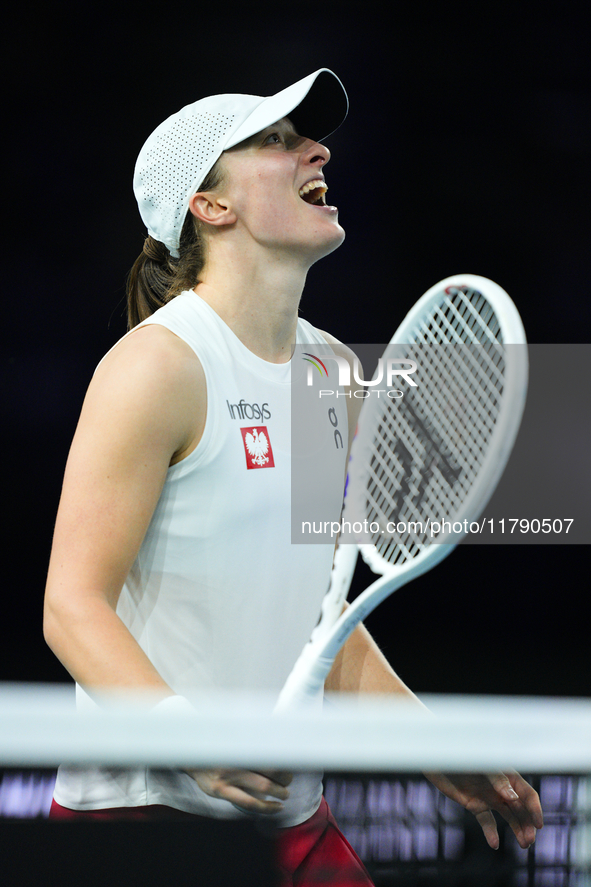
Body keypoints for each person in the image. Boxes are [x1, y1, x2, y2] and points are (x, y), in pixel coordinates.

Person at [43, 69, 542, 885]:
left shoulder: (332, 369)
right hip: (140, 822)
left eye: (306, 138)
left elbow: (322, 617)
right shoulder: (158, 367)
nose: (318, 149)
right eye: (275, 141)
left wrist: (431, 746)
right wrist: (186, 742)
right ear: (211, 206)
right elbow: (71, 604)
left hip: (292, 823)